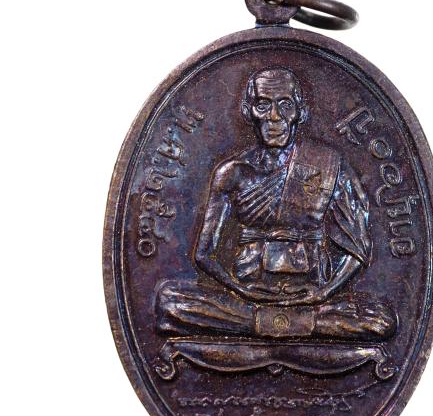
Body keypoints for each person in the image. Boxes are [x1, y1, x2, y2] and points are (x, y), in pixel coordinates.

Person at [156, 67, 396, 340]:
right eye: (263, 105)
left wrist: (324, 293)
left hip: (312, 294)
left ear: (300, 112)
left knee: (381, 320)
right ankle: (295, 324)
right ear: (249, 111)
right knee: (170, 301)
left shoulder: (329, 164)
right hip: (247, 294)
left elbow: (358, 248)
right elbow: (204, 254)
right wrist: (240, 290)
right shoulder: (233, 172)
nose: (274, 117)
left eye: (285, 106)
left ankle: (263, 324)